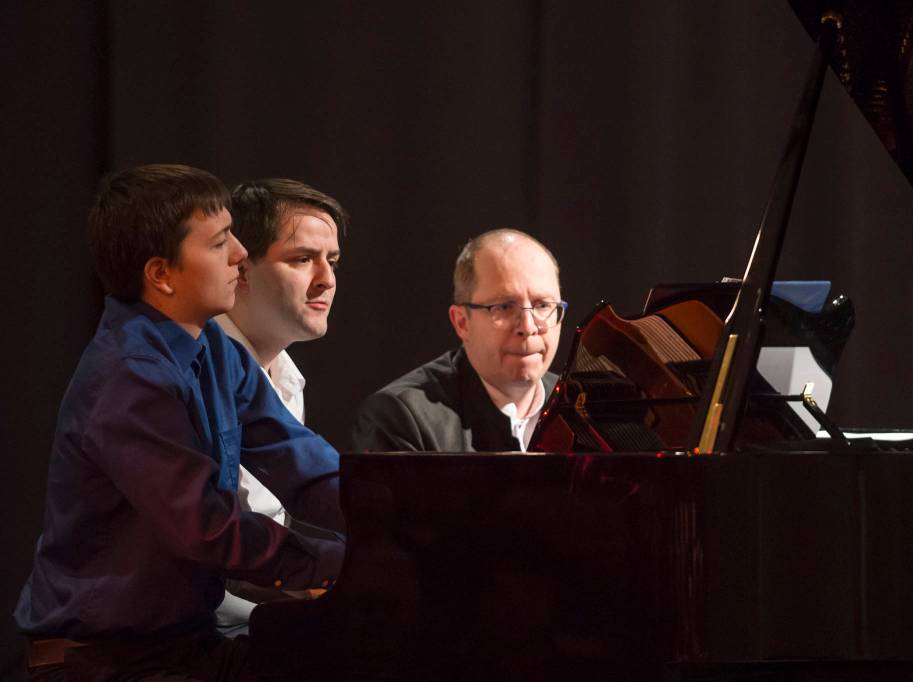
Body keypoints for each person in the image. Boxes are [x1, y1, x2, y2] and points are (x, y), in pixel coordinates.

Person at [14, 164, 345, 681]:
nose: (240, 254)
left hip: (184, 650)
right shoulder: (129, 376)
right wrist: (338, 564)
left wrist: (404, 526)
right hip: (104, 662)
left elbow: (301, 463)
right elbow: (208, 527)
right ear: (161, 274)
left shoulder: (212, 347)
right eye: (219, 244)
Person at [212, 178, 347, 634]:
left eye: (332, 261)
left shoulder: (285, 375)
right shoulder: (194, 366)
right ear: (240, 267)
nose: (327, 280)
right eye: (303, 259)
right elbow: (205, 547)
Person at [350, 229, 566, 452]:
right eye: (503, 307)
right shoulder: (401, 418)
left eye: (543, 306)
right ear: (462, 322)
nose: (528, 327)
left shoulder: (582, 408)